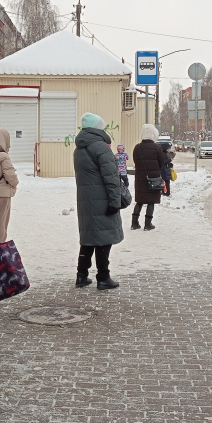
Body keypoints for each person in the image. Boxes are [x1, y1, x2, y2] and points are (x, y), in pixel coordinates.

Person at [73, 112, 124, 290]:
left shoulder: (79, 147)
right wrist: (115, 201)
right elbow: (111, 177)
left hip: (86, 200)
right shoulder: (101, 147)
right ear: (97, 128)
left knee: (88, 237)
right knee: (103, 238)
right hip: (102, 199)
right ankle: (103, 277)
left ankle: (81, 275)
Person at [131, 124, 165, 231]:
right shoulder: (157, 148)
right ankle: (148, 224)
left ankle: (134, 223)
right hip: (153, 179)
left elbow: (135, 162)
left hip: (140, 178)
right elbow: (162, 162)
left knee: (140, 201)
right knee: (151, 201)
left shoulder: (137, 148)